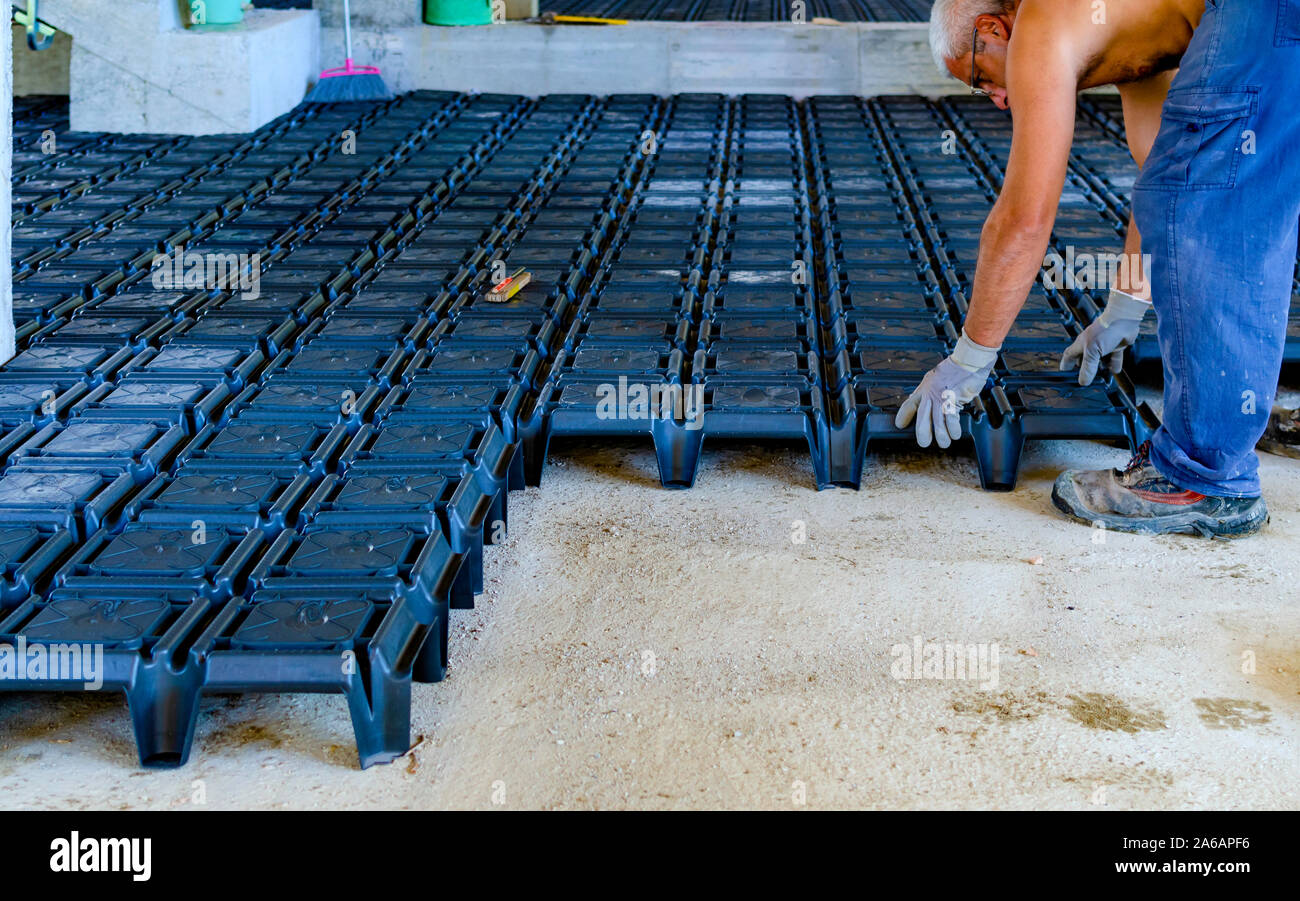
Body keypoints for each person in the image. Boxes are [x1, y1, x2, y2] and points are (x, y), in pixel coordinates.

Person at [897, 0, 1299, 537]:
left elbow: (1022, 219)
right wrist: (1126, 305)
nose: (994, 99)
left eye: (978, 78)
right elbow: (1163, 168)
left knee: (1211, 190)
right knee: (1217, 179)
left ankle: (1200, 477)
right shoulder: (1131, 33)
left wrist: (968, 359)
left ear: (993, 28)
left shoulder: (1040, 23)